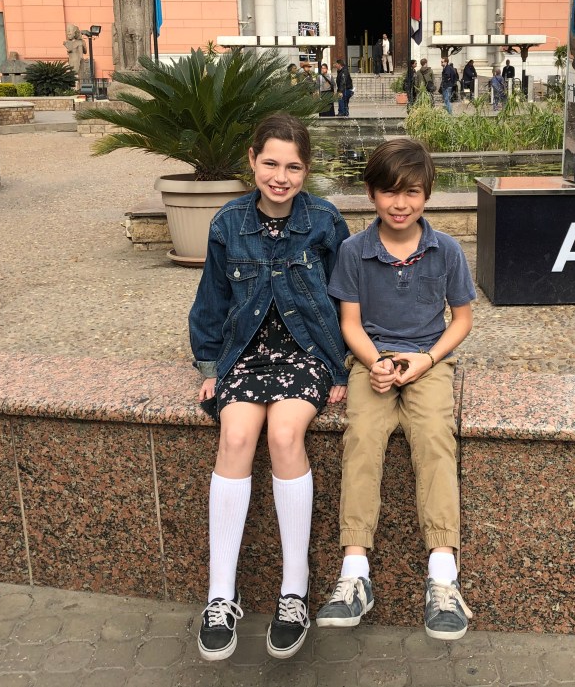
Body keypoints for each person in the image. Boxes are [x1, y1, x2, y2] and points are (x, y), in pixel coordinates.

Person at [190, 113, 350, 662]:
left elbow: (348, 299)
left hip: (308, 352)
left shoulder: (324, 221)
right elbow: (212, 299)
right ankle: (220, 595)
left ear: (307, 170)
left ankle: (294, 592)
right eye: (272, 164)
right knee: (236, 436)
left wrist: (342, 369)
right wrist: (210, 367)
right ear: (252, 160)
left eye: (294, 167)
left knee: (284, 435)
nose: (281, 177)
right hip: (246, 353)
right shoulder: (228, 223)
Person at [315, 138, 476, 641]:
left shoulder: (446, 250)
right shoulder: (353, 251)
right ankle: (354, 572)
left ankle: (443, 577)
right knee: (362, 436)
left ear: (427, 194)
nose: (400, 203)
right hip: (372, 360)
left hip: (429, 360)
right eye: (389, 192)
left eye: (411, 192)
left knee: (435, 437)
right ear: (370, 193)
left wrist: (427, 359)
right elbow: (350, 323)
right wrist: (376, 363)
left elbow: (462, 319)